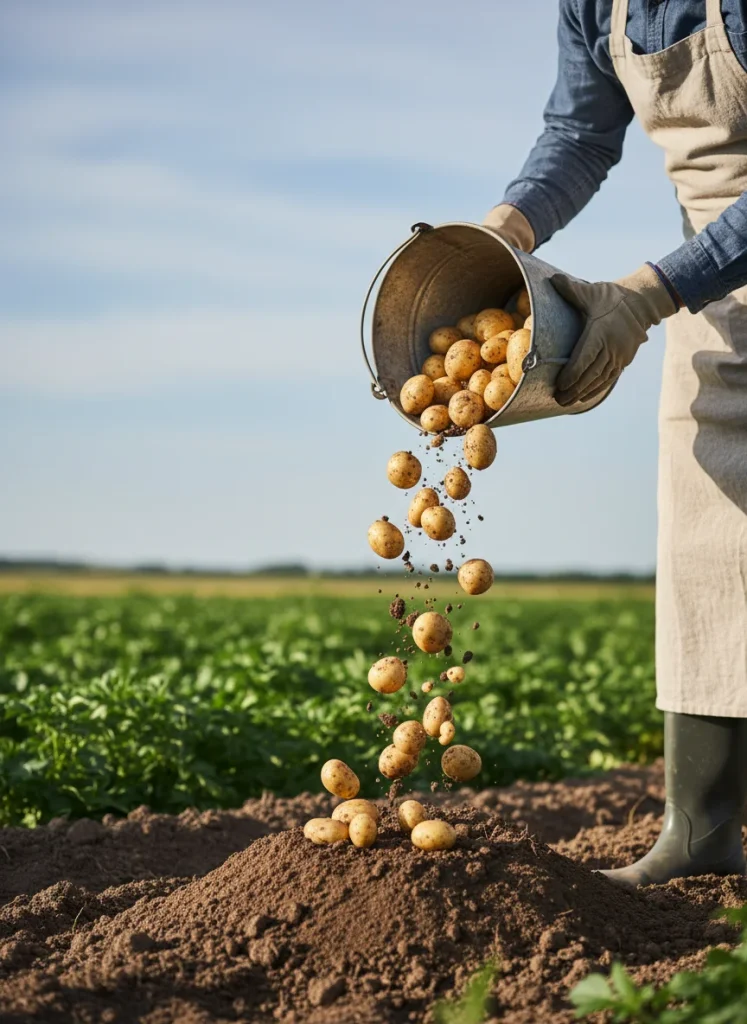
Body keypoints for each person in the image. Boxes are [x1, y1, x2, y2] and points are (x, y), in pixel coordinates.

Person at [485, 0, 747, 888]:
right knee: (702, 543)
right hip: (710, 290)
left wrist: (639, 296)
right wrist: (503, 231)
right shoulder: (594, 4)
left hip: (681, 277)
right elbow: (578, 133)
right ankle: (700, 831)